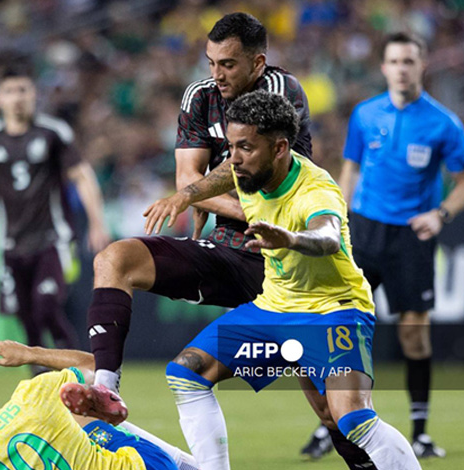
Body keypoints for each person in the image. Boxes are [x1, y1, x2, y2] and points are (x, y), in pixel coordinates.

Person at [64, 12, 373, 470]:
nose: (216, 74)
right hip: (228, 251)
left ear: (257, 62)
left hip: (284, 266)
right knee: (116, 258)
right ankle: (106, 385)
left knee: (333, 411)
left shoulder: (279, 93)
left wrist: (197, 196)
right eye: (211, 62)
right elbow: (190, 174)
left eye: (228, 64)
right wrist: (217, 200)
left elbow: (235, 172)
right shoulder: (199, 96)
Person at [140, 90, 422, 470]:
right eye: (231, 145)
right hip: (273, 310)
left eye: (245, 147)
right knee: (186, 372)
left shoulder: (315, 189)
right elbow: (214, 178)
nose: (234, 157)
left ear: (279, 148)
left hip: (332, 313)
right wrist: (185, 197)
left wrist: (289, 239)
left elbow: (326, 237)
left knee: (349, 419)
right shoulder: (244, 169)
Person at [331, 32, 464, 458]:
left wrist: (441, 214)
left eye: (409, 61)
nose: (401, 68)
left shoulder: (442, 122)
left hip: (411, 235)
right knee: (342, 331)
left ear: (422, 65)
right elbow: (350, 170)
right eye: (394, 61)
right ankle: (335, 424)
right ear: (383, 67)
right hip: (365, 229)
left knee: (415, 336)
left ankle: (420, 430)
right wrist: (338, 220)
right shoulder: (364, 115)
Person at [0, 60, 111, 354]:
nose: (17, 97)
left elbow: (82, 175)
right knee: (25, 316)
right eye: (10, 91)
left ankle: (78, 370)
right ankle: (38, 375)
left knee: (46, 306)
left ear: (34, 95)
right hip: (10, 242)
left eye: (23, 90)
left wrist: (97, 222)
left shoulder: (52, 133)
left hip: (52, 239)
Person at [0, 342, 195, 470]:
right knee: (75, 413)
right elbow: (98, 365)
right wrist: (31, 354)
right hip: (152, 466)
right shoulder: (33, 393)